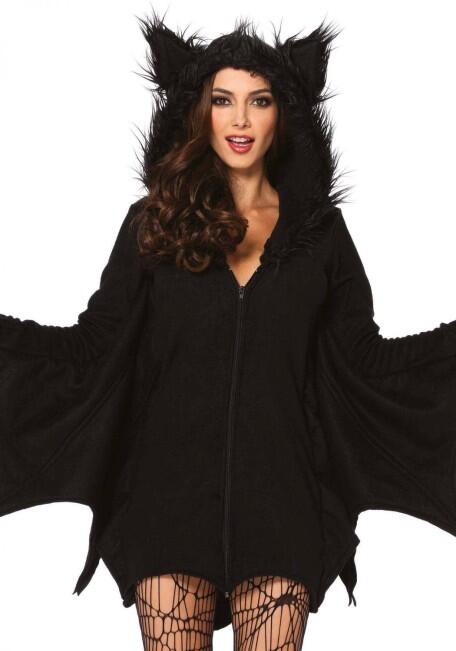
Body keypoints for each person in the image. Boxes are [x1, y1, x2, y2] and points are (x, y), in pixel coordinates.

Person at [3, 9, 456, 651]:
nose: (240, 120)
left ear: (283, 113)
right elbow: (90, 349)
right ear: (199, 111)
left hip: (283, 504)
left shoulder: (321, 235)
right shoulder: (154, 222)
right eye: (223, 100)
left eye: (258, 101)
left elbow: (368, 364)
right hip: (167, 503)